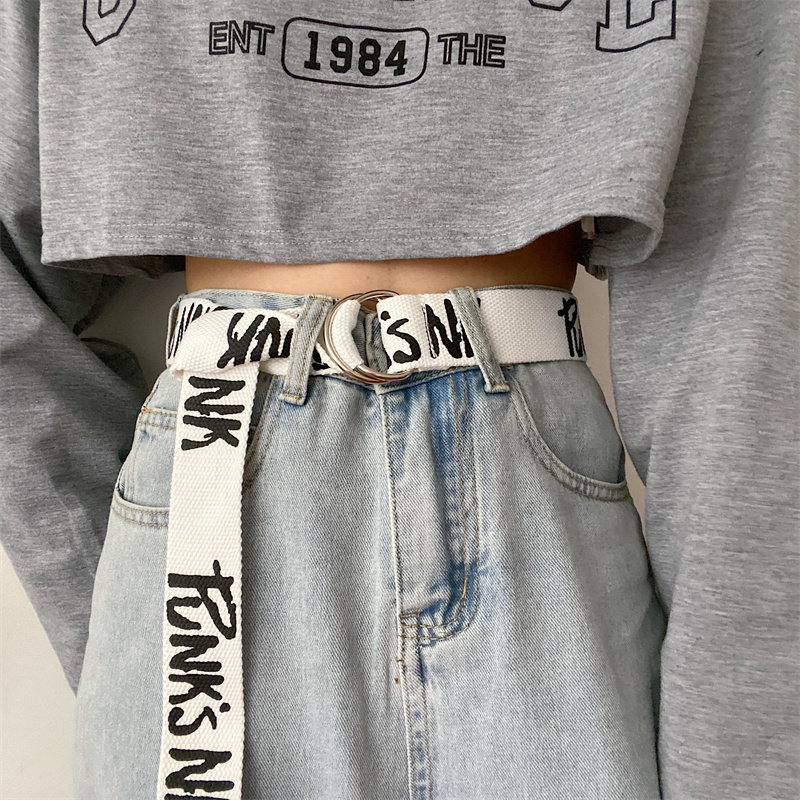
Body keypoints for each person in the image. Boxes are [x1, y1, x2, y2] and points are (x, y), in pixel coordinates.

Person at [1, 1, 797, 798]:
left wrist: (735, 751)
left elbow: (739, 306)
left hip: (531, 512)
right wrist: (120, 613)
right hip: (220, 467)